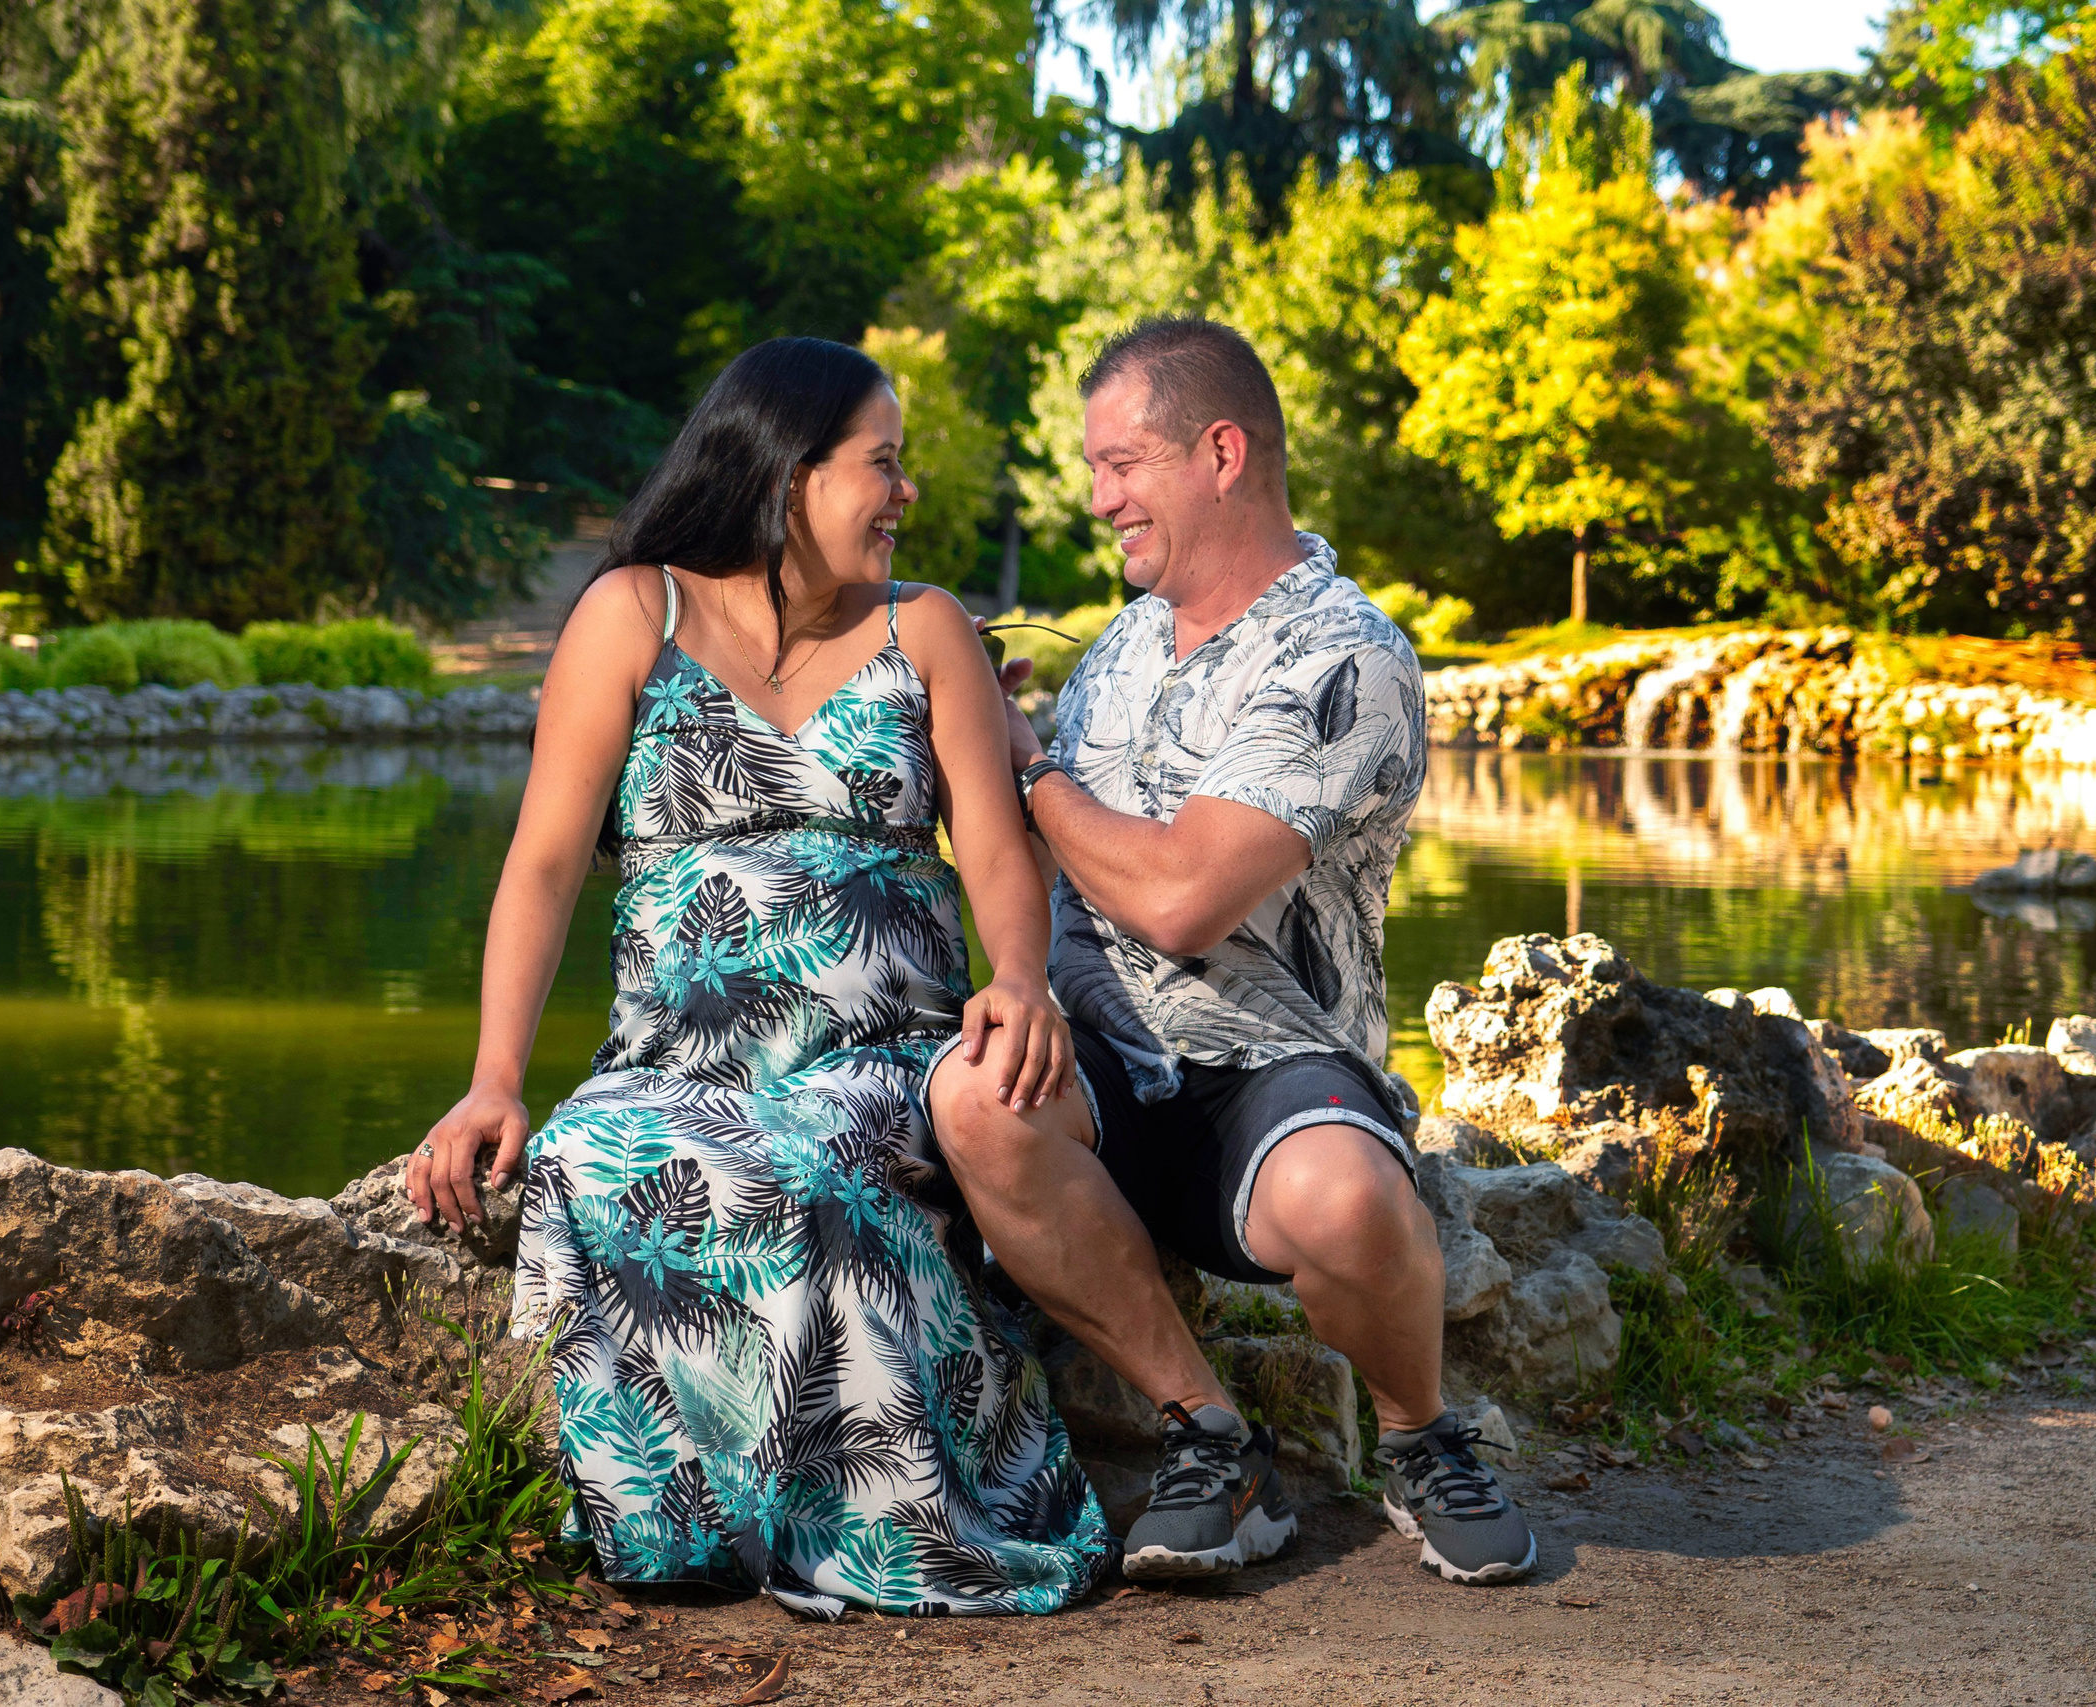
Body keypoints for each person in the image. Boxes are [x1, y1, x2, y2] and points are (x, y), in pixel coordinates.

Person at [403, 337, 1112, 1618]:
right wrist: (493, 1080)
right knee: (587, 1154)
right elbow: (544, 866)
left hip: (882, 1057)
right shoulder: (634, 614)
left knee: (806, 1159)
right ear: (791, 477)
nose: (905, 493)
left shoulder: (925, 629)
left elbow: (997, 849)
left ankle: (882, 1531)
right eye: (882, 464)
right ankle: (685, 1530)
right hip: (676, 1061)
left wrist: (1018, 977)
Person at [931, 318, 1537, 1586]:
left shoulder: (1344, 655)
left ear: (1220, 453)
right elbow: (1047, 860)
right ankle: (1210, 1433)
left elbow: (1179, 899)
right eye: (1094, 470)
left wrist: (1028, 767)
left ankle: (1420, 1435)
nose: (1099, 499)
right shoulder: (1117, 651)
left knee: (1348, 1200)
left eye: (1121, 464)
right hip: (1105, 1066)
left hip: (1272, 1071)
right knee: (976, 1095)